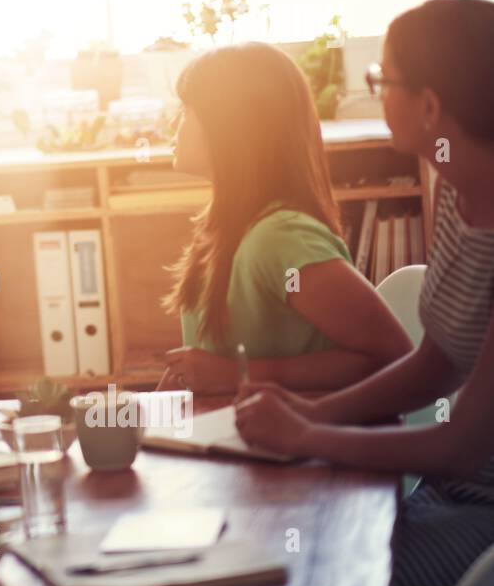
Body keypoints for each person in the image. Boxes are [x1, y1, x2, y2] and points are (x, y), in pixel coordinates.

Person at [236, 0, 494, 586]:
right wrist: (315, 413)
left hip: (483, 511)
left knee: (320, 583)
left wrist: (307, 437)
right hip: (455, 489)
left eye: (383, 79)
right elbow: (438, 359)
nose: (376, 91)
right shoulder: (457, 189)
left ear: (430, 106)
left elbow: (461, 443)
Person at [159, 42, 412, 395]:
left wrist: (238, 375)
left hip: (300, 444)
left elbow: (394, 356)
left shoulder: (279, 237)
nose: (173, 122)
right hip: (237, 434)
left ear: (230, 129)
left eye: (187, 110)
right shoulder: (222, 230)